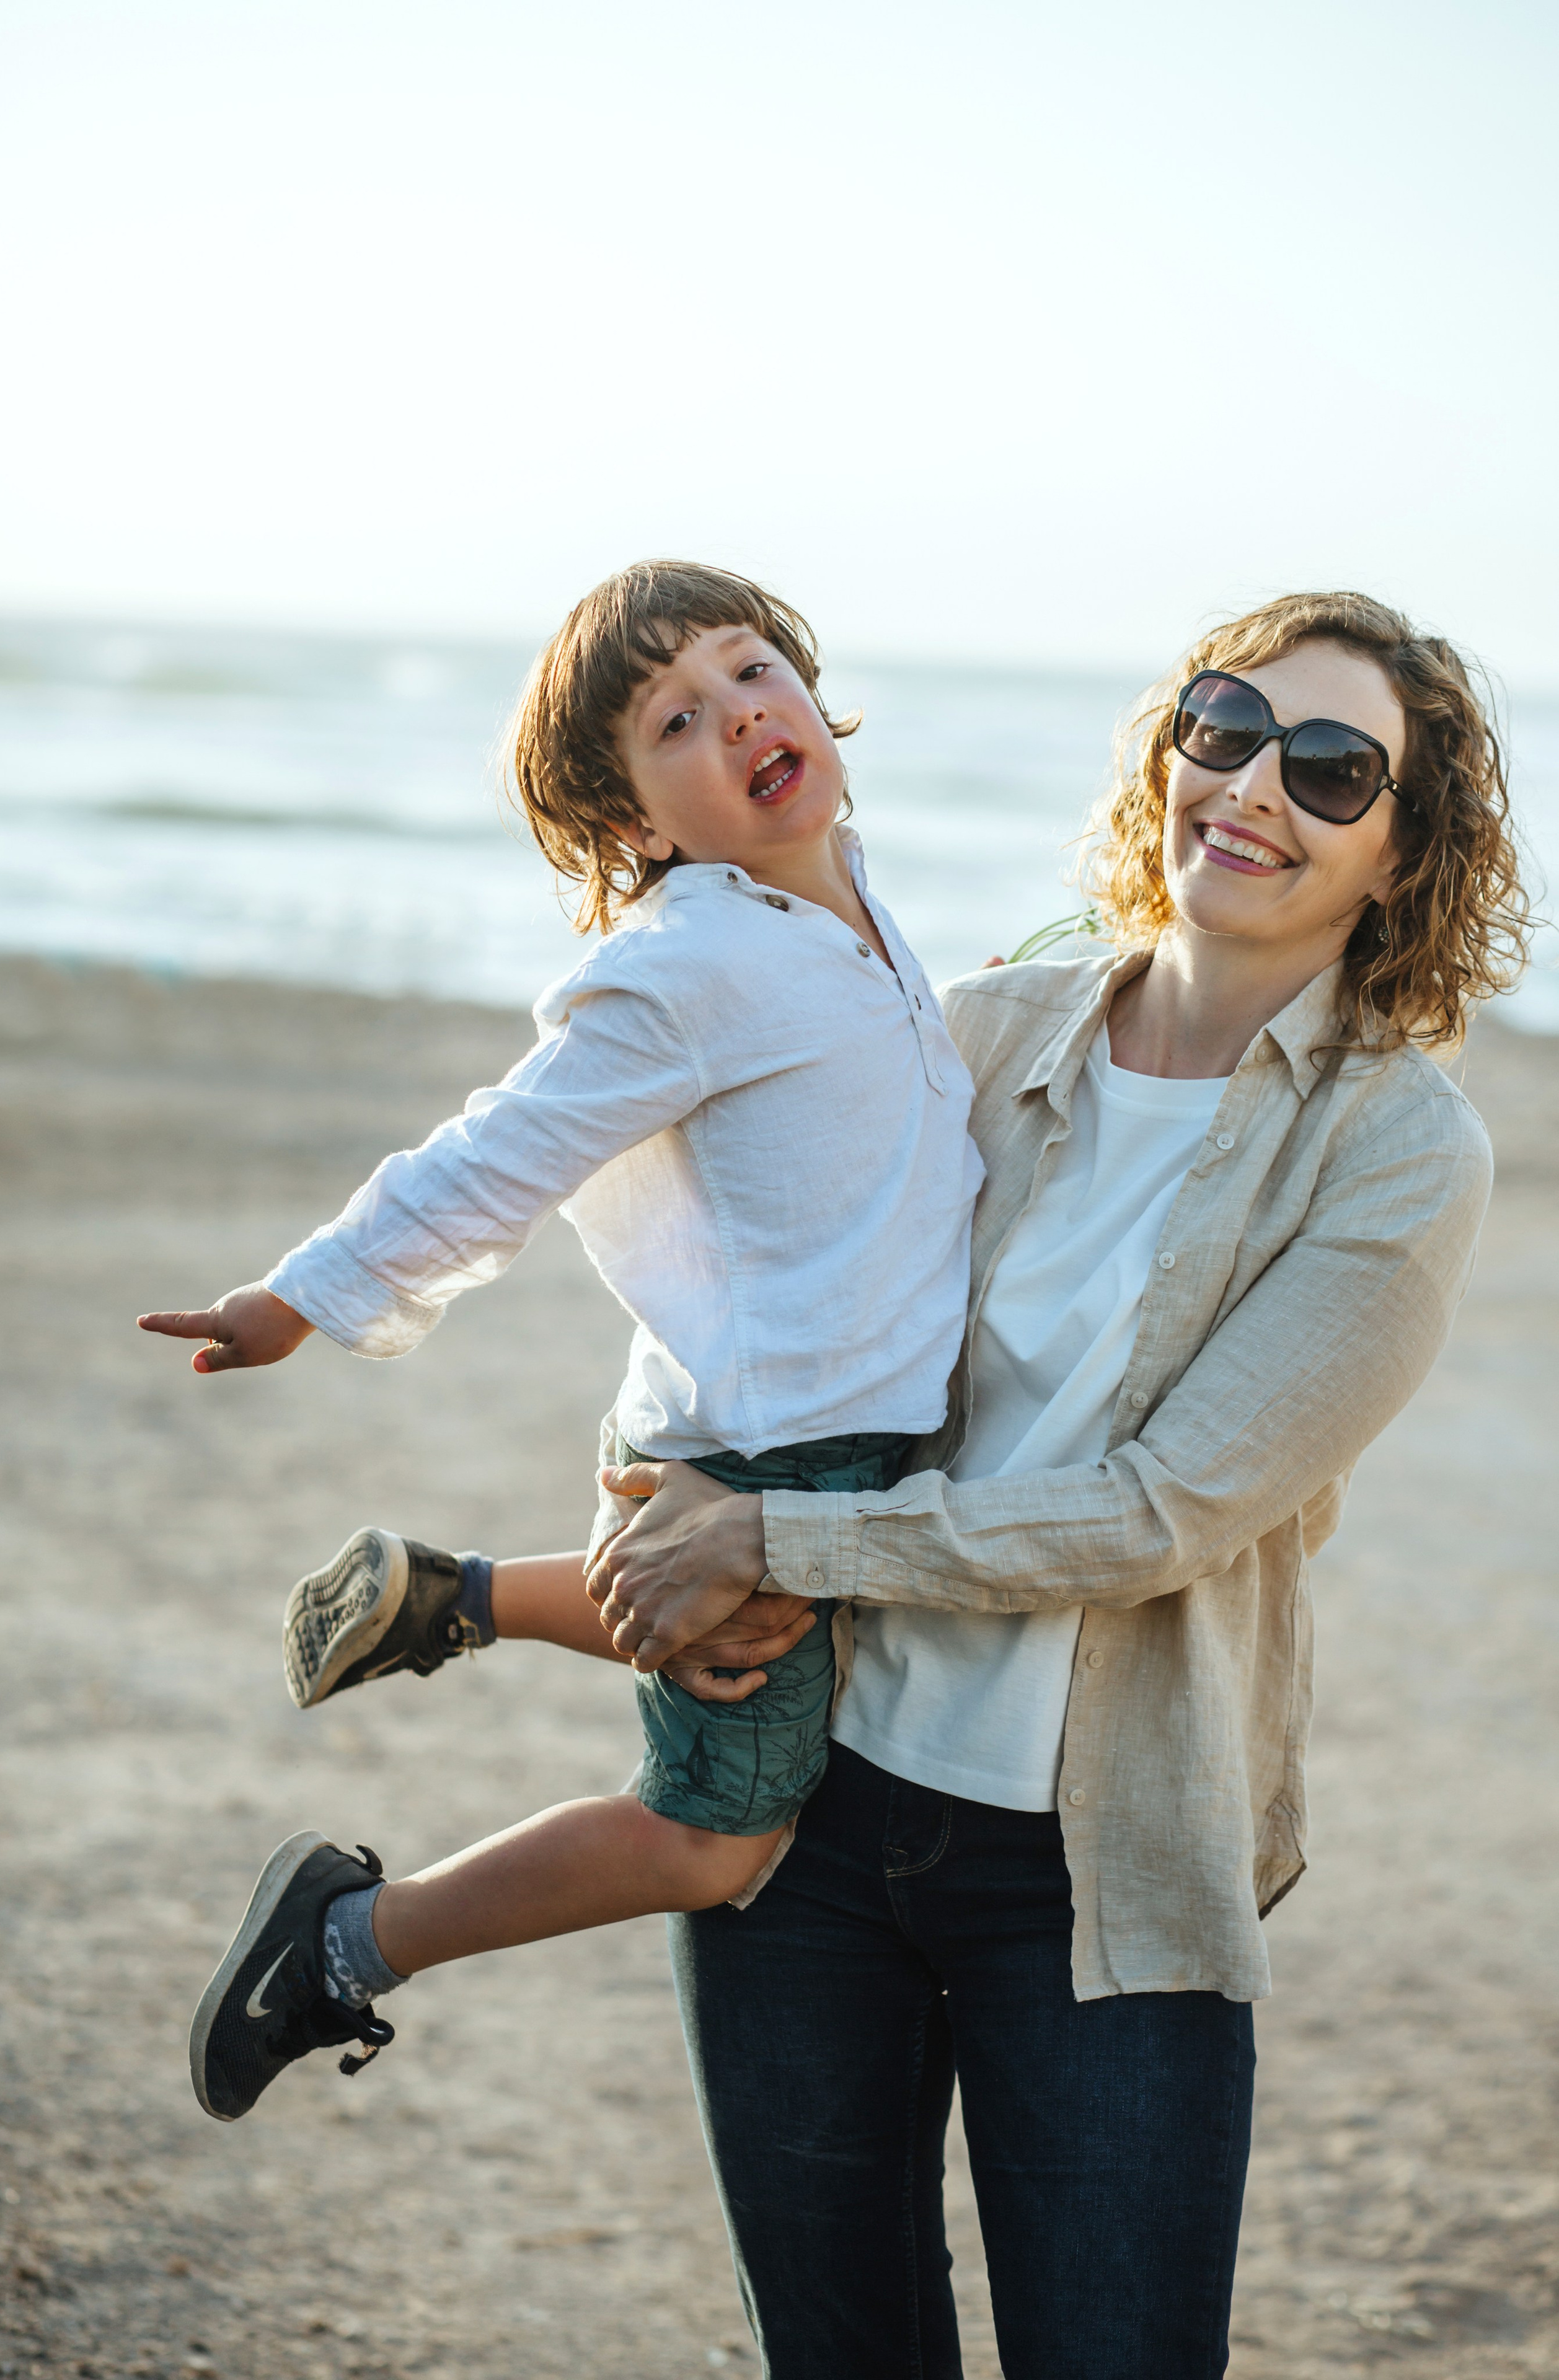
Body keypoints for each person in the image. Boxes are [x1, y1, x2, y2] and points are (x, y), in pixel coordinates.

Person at [560, 593, 1526, 2378]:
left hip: (1108, 1868)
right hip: (812, 1812)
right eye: (1225, 730)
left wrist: (776, 1535)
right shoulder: (982, 1028)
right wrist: (656, 1509)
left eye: (1333, 770)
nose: (1255, 788)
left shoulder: (1400, 1150)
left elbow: (1166, 1510)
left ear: (1405, 854)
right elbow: (730, 1291)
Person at [137, 560, 984, 2124]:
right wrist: (296, 1298)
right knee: (717, 1838)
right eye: (676, 719)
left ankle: (449, 1596)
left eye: (749, 671)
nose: (737, 713)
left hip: (803, 1430)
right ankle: (342, 1940)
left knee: (797, 1649)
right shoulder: (688, 962)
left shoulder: (843, 890)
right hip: (757, 1447)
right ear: (639, 823)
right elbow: (497, 1150)